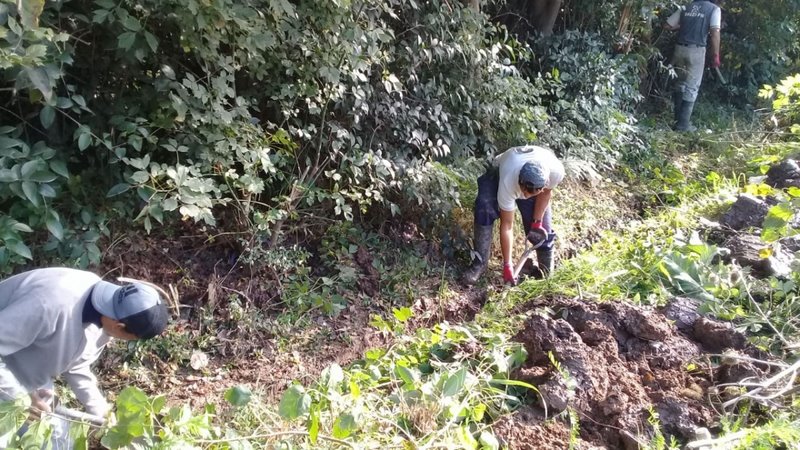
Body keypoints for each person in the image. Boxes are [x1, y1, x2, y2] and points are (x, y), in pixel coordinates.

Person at [0, 268, 169, 420]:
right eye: (131, 338)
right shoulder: (49, 305)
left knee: (58, 440)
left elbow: (76, 363)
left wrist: (102, 413)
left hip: (25, 367)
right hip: (6, 368)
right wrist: (19, 398)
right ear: (119, 327)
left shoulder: (107, 312)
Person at [462, 145, 564, 286]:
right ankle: (480, 264)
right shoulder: (508, 180)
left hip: (535, 175)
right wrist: (507, 265)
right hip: (499, 170)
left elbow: (546, 194)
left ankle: (547, 273)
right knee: (484, 206)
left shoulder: (555, 173)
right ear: (520, 181)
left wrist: (537, 222)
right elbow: (507, 225)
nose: (526, 196)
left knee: (541, 231)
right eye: (524, 191)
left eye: (531, 193)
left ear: (543, 185)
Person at [664, 0, 722, 132]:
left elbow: (667, 25)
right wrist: (716, 55)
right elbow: (715, 33)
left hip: (679, 49)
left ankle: (677, 121)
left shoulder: (685, 7)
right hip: (696, 51)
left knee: (680, 84)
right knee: (692, 87)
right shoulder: (714, 9)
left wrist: (682, 26)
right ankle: (683, 125)